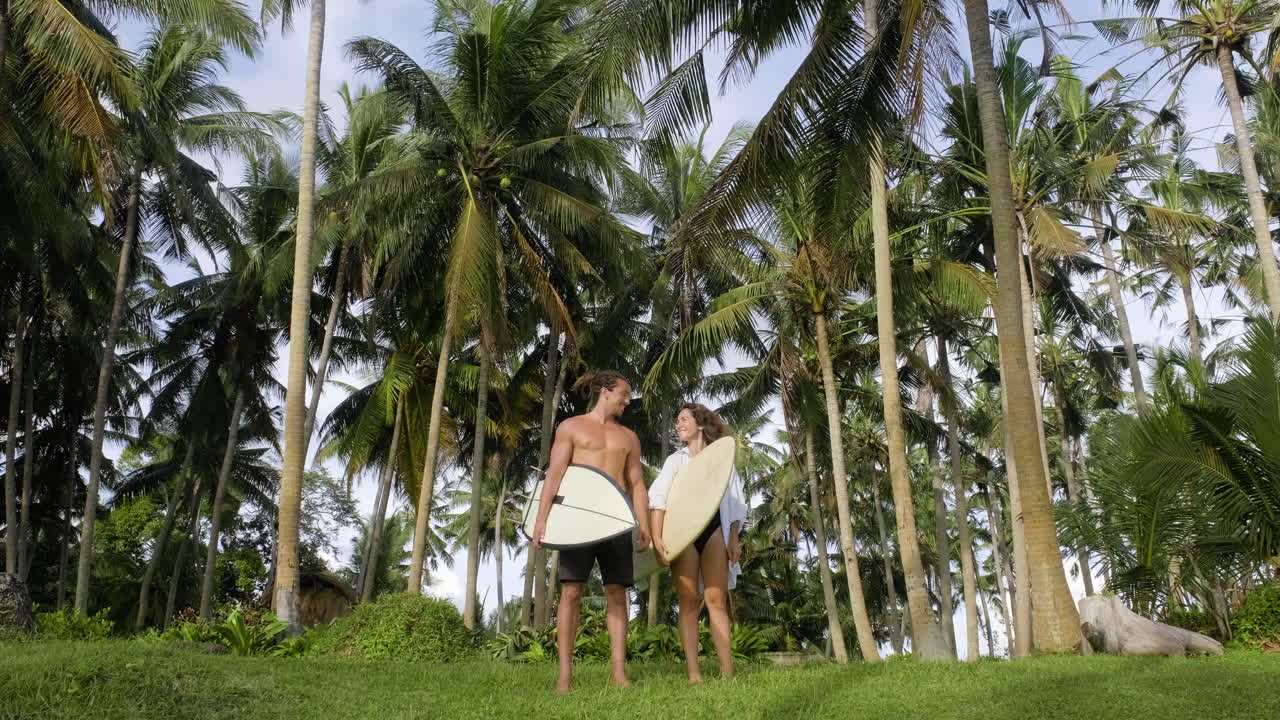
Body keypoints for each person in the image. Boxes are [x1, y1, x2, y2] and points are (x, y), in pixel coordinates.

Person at [531, 370, 651, 693]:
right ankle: (564, 676)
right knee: (571, 592)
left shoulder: (629, 438)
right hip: (579, 520)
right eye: (624, 394)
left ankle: (619, 674)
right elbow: (554, 474)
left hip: (616, 521)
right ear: (605, 392)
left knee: (617, 592)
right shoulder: (571, 427)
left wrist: (643, 524)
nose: (628, 400)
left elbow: (637, 484)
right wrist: (541, 519)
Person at [649, 403, 747, 683]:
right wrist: (657, 537)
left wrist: (734, 538)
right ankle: (694, 673)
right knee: (688, 600)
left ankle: (728, 672)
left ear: (701, 424)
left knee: (716, 600)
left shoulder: (721, 459)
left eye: (684, 419)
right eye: (677, 420)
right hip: (683, 534)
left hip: (715, 530)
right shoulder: (675, 461)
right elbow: (659, 499)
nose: (678, 424)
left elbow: (736, 503)